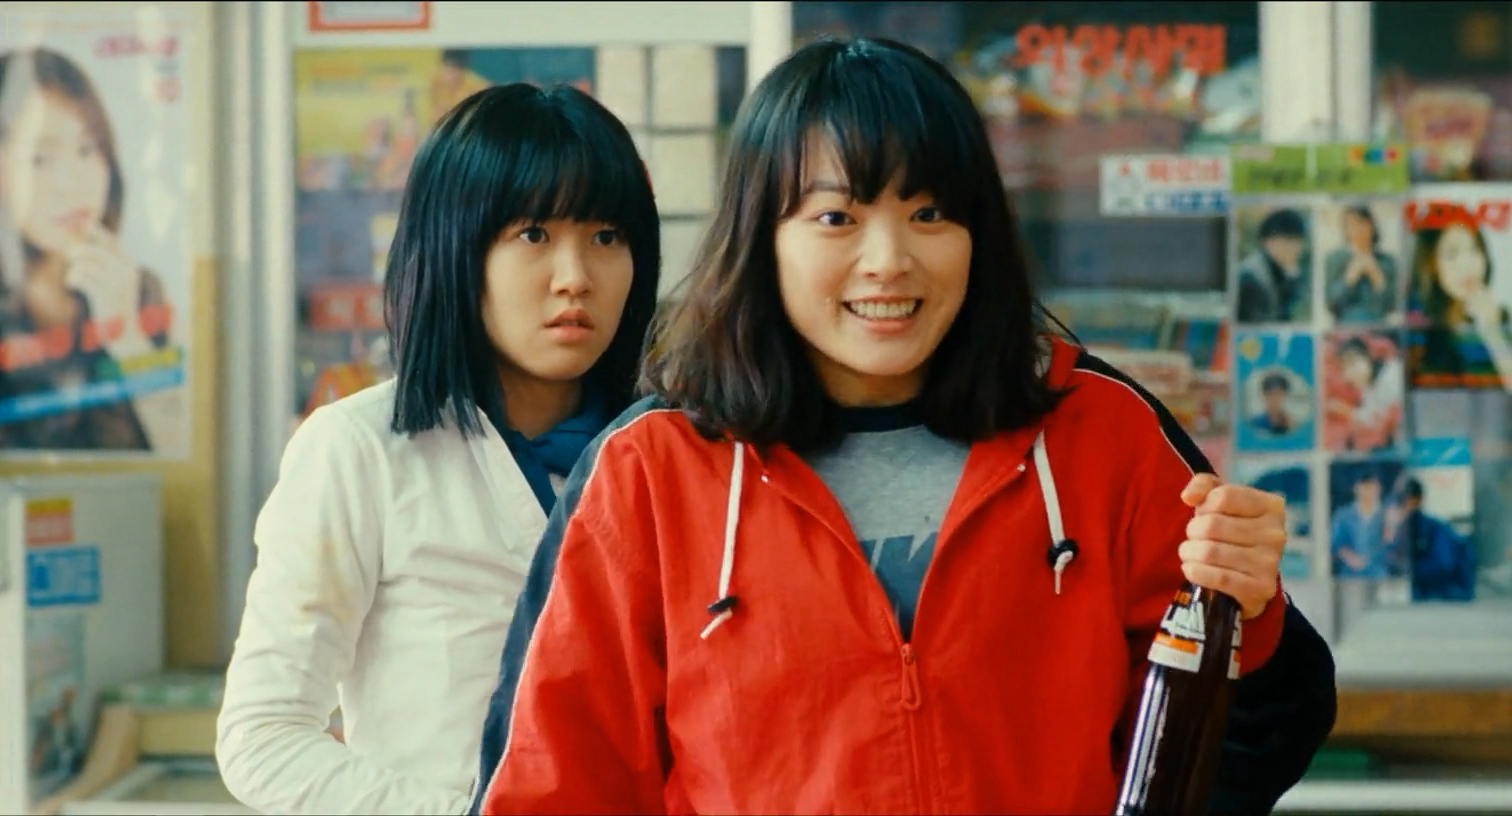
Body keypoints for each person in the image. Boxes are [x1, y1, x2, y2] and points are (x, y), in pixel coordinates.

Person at [470, 38, 1319, 815]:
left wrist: (1246, 606)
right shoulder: (651, 468)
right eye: (837, 218)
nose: (890, 261)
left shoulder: (1098, 430)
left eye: (930, 214)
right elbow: (554, 783)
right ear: (762, 237)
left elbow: (1252, 728)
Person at [215, 83, 662, 815]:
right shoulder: (360, 449)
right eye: (533, 235)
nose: (576, 277)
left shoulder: (668, 452)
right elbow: (262, 736)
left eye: (607, 236)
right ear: (456, 248)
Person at [0, 47, 176, 451]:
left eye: (87, 149)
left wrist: (128, 336)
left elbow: (182, 449)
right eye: (40, 159)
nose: (71, 183)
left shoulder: (142, 291)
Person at [1406, 219, 1512, 393]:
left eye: (1474, 249)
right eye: (1452, 254)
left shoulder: (1501, 317)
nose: (1467, 264)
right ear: (1431, 264)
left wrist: (1492, 330)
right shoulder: (1417, 327)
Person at [1385, 477, 1473, 601]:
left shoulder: (1435, 529)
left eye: (1402, 500)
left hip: (1447, 596)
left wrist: (1408, 570)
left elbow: (1443, 565)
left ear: (1416, 501)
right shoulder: (1401, 529)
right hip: (1421, 597)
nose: (1398, 506)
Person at [1323, 335, 1403, 453]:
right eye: (1344, 368)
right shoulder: (1368, 387)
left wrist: (1344, 410)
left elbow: (1377, 422)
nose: (1349, 374)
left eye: (1353, 363)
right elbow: (1369, 417)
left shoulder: (1393, 375)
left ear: (1369, 356)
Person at [1324, 204, 1400, 325]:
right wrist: (1350, 277)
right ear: (1345, 231)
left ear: (1372, 226)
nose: (1358, 229)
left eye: (1362, 223)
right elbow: (1331, 304)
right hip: (1345, 329)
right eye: (1351, 225)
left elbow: (1393, 305)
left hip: (1378, 328)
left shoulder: (1387, 261)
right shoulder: (1334, 259)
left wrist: (1376, 275)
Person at [1235, 207, 1310, 324]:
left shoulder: (1283, 270)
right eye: (1288, 241)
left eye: (1298, 242)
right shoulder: (1251, 276)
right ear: (1268, 242)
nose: (1294, 249)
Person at [1331, 468, 1394, 579]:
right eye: (1364, 486)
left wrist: (1391, 529)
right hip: (1349, 576)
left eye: (1372, 486)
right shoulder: (1343, 515)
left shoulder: (1388, 514)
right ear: (1355, 488)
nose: (1368, 491)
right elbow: (1336, 543)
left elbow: (1394, 547)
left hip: (1379, 575)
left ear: (1379, 488)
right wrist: (1351, 558)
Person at [1249, 370, 1298, 436]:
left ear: (1285, 396)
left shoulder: (1291, 423)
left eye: (1279, 394)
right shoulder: (1255, 423)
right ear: (1264, 396)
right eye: (1270, 394)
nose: (1274, 399)